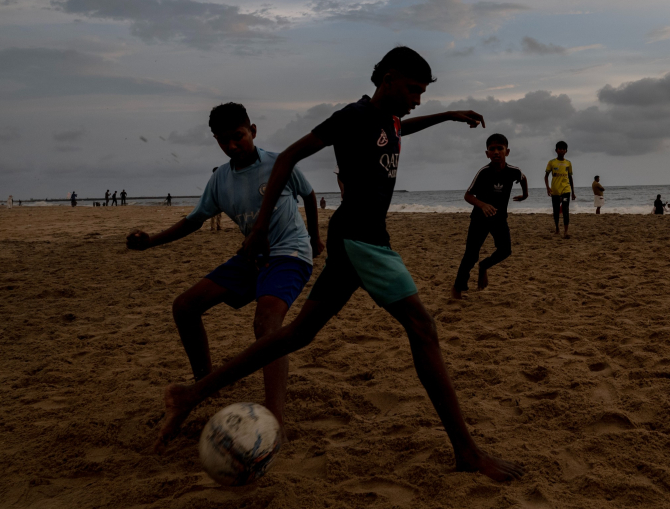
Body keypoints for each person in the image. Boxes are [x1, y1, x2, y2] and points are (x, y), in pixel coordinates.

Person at [155, 47, 524, 482]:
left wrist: (445, 115)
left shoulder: (386, 119)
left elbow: (399, 127)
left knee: (299, 333)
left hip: (359, 238)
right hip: (361, 238)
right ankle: (466, 452)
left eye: (423, 93)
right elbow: (290, 155)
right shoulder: (351, 116)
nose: (417, 99)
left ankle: (193, 393)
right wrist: (256, 231)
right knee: (423, 327)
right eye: (413, 90)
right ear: (388, 79)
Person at [127, 102, 323, 433]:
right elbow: (193, 221)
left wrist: (316, 238)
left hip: (289, 254)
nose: (232, 145)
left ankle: (274, 420)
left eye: (238, 136)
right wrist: (151, 241)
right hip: (251, 257)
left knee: (266, 322)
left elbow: (309, 194)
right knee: (185, 307)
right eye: (223, 140)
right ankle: (203, 386)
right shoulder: (220, 179)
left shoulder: (279, 164)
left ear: (253, 131)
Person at [452, 133, 527, 300]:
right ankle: (457, 289)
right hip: (480, 219)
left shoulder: (513, 171)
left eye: (500, 148)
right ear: (487, 153)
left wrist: (525, 195)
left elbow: (522, 178)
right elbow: (468, 195)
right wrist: (483, 205)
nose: (496, 152)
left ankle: (484, 266)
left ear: (507, 151)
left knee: (505, 250)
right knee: (471, 255)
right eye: (492, 149)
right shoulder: (483, 172)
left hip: (499, 218)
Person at [544, 141, 575, 238]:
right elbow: (546, 176)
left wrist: (573, 192)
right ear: (556, 150)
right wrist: (548, 187)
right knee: (556, 211)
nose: (561, 150)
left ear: (566, 151)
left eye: (563, 149)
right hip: (555, 191)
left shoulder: (568, 163)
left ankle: (566, 231)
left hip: (566, 190)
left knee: (565, 210)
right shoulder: (552, 162)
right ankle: (557, 228)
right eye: (559, 148)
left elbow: (570, 178)